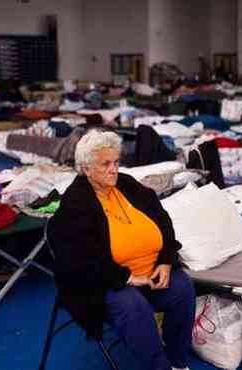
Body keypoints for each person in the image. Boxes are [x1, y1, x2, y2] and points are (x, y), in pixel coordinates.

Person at [48, 130, 194, 370]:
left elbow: (162, 220)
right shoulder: (76, 204)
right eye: (105, 164)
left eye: (116, 162)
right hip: (104, 283)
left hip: (151, 273)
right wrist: (126, 277)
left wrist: (167, 260)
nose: (113, 169)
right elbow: (78, 261)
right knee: (131, 305)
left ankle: (178, 362)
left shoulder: (126, 185)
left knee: (182, 287)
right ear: (86, 169)